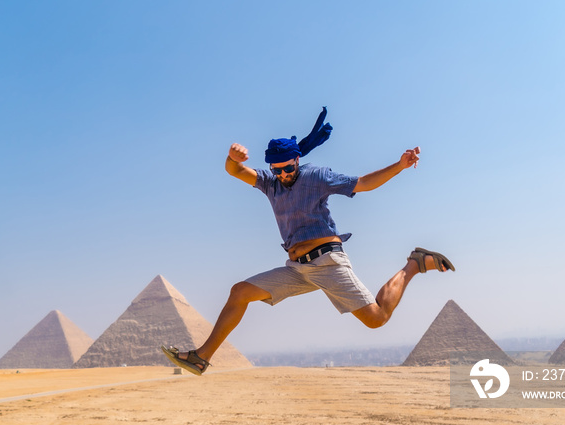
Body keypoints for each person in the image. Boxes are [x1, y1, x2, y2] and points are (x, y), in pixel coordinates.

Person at [161, 108, 454, 375]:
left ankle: (413, 265)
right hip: (296, 269)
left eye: (288, 168)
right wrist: (232, 157)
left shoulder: (316, 176)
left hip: (327, 261)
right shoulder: (269, 183)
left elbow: (363, 183)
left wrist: (399, 165)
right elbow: (235, 171)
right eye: (277, 170)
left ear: (297, 160)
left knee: (377, 318)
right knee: (239, 292)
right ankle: (201, 358)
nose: (283, 174)